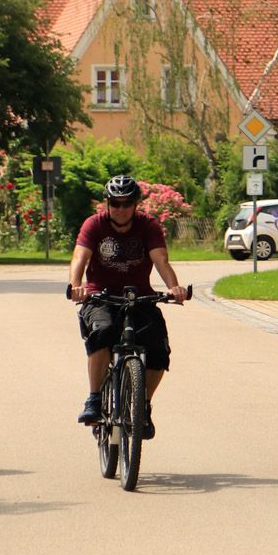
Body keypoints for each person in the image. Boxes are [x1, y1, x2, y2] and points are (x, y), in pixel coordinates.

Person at [67, 175, 185, 438]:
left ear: (135, 205)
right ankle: (95, 399)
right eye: (115, 203)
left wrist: (174, 288)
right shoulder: (94, 224)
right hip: (100, 297)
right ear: (108, 204)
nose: (121, 209)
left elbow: (161, 261)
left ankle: (142, 406)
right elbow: (79, 256)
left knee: (157, 349)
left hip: (140, 297)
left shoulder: (148, 226)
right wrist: (77, 285)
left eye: (127, 203)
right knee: (103, 332)